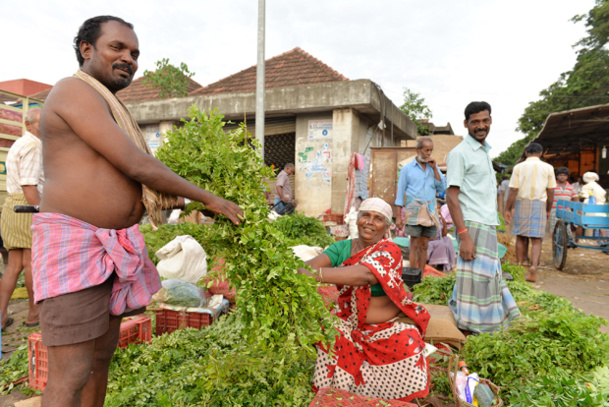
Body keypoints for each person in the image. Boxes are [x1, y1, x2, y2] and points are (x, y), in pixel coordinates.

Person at [33, 16, 243, 407]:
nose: (129, 58)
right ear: (86, 49)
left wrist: (173, 196)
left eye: (134, 53)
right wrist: (208, 198)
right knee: (72, 371)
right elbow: (136, 164)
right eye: (117, 48)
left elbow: (119, 174)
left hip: (112, 247)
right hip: (75, 246)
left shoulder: (108, 104)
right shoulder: (72, 92)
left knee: (100, 359)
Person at [299, 197, 430, 402]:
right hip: (347, 321)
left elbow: (366, 275)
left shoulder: (390, 250)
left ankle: (394, 399)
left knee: (408, 343)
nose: (369, 222)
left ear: (387, 227)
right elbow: (308, 266)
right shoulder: (341, 248)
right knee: (328, 337)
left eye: (378, 219)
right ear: (357, 218)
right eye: (365, 215)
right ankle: (338, 397)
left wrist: (317, 275)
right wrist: (294, 270)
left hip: (385, 326)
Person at [446, 101, 520, 334]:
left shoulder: (485, 152)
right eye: (475, 122)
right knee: (476, 284)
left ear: (490, 121)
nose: (481, 126)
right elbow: (451, 197)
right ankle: (471, 331)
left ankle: (479, 327)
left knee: (485, 280)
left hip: (485, 225)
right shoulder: (460, 153)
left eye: (485, 121)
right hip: (471, 226)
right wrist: (463, 235)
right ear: (466, 123)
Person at [0, 108, 43, 331]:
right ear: (29, 124)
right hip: (27, 207)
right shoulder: (34, 145)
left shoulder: (19, 143)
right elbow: (29, 185)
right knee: (30, 264)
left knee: (13, 266)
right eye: (40, 122)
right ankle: (34, 314)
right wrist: (42, 214)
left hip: (12, 206)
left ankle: (1, 317)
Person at [504, 143, 555, 282]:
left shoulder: (518, 167)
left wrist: (507, 209)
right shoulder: (548, 168)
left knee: (521, 237)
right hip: (540, 203)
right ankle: (534, 267)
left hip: (522, 202)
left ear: (526, 153)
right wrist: (548, 209)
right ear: (540, 153)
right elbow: (551, 191)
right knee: (537, 239)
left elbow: (513, 189)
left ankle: (520, 267)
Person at [395, 137, 447, 270]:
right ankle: (413, 275)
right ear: (417, 150)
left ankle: (422, 276)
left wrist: (435, 169)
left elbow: (442, 188)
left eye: (430, 150)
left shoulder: (433, 168)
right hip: (414, 209)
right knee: (414, 244)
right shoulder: (407, 169)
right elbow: (400, 193)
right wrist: (398, 216)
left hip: (430, 209)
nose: (428, 153)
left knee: (425, 244)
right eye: (426, 150)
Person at [427, 200, 456, 271]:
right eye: (437, 208)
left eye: (439, 208)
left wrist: (443, 222)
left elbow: (444, 234)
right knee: (441, 243)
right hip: (428, 241)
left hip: (437, 239)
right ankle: (431, 265)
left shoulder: (439, 219)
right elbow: (429, 237)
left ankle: (446, 265)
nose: (439, 210)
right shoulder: (428, 219)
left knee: (448, 240)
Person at [548, 167, 578, 235]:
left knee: (567, 228)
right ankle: (555, 243)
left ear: (567, 177)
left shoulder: (571, 187)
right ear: (557, 176)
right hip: (554, 210)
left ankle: (567, 242)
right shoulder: (552, 186)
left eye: (564, 175)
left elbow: (576, 198)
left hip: (567, 210)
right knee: (554, 229)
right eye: (560, 175)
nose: (562, 177)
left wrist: (578, 208)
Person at [580, 171, 607, 238]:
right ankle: (605, 240)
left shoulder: (586, 186)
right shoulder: (599, 187)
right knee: (601, 226)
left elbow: (583, 197)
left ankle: (581, 240)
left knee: (582, 224)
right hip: (600, 210)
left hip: (590, 209)